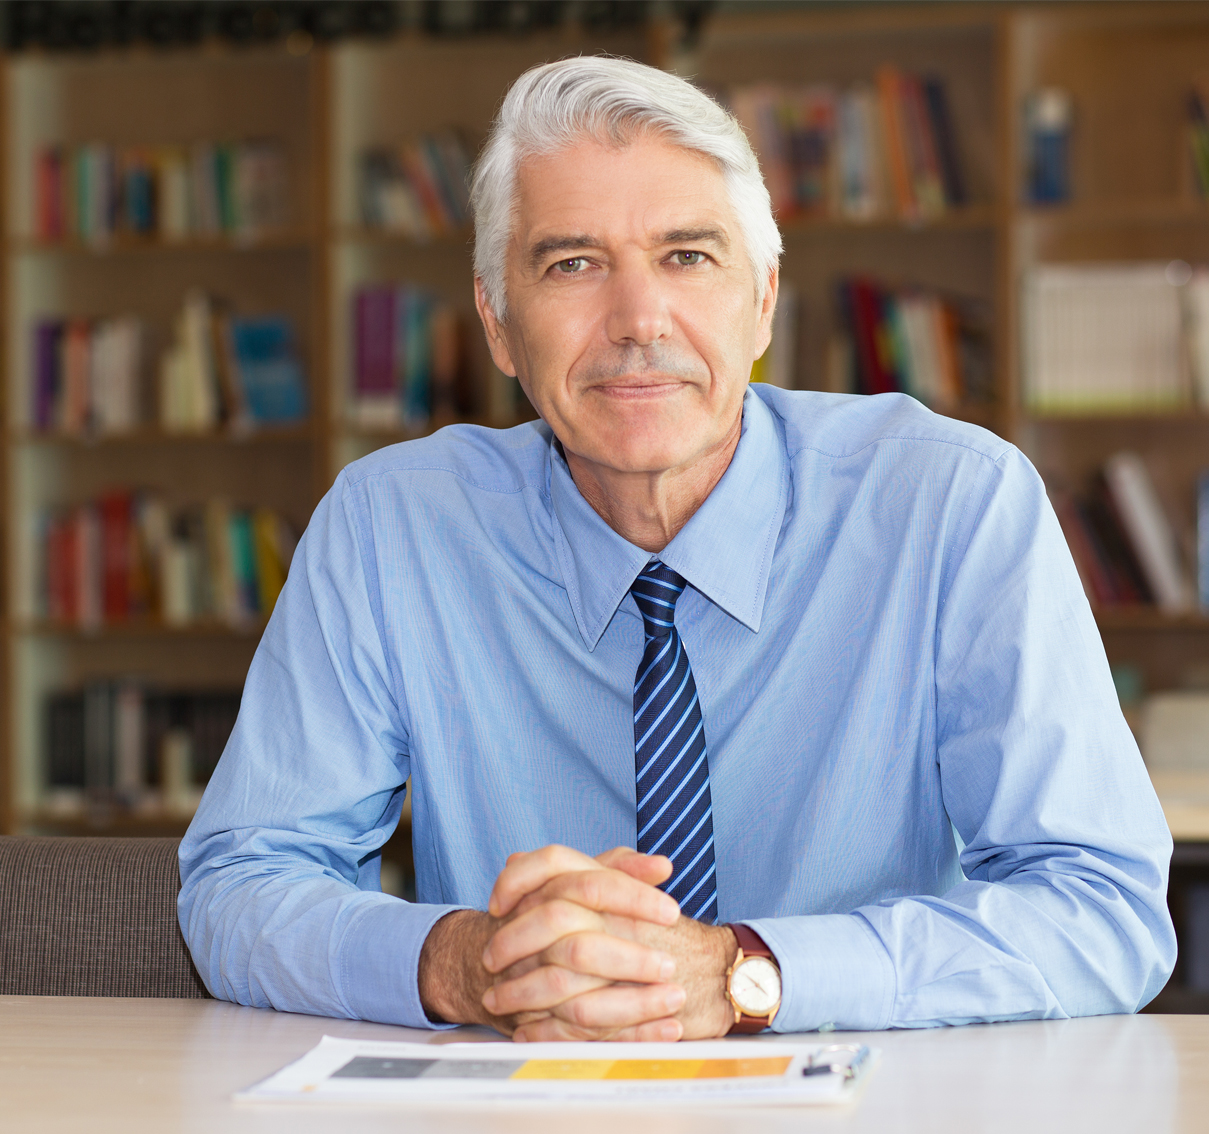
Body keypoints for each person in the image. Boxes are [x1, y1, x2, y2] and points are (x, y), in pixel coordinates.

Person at [179, 57, 1175, 1042]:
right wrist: (461, 964)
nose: (638, 320)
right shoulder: (390, 528)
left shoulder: (950, 504)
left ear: (765, 301)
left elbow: (1104, 912)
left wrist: (747, 975)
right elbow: (239, 884)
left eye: (688, 256)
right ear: (497, 325)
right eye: (573, 263)